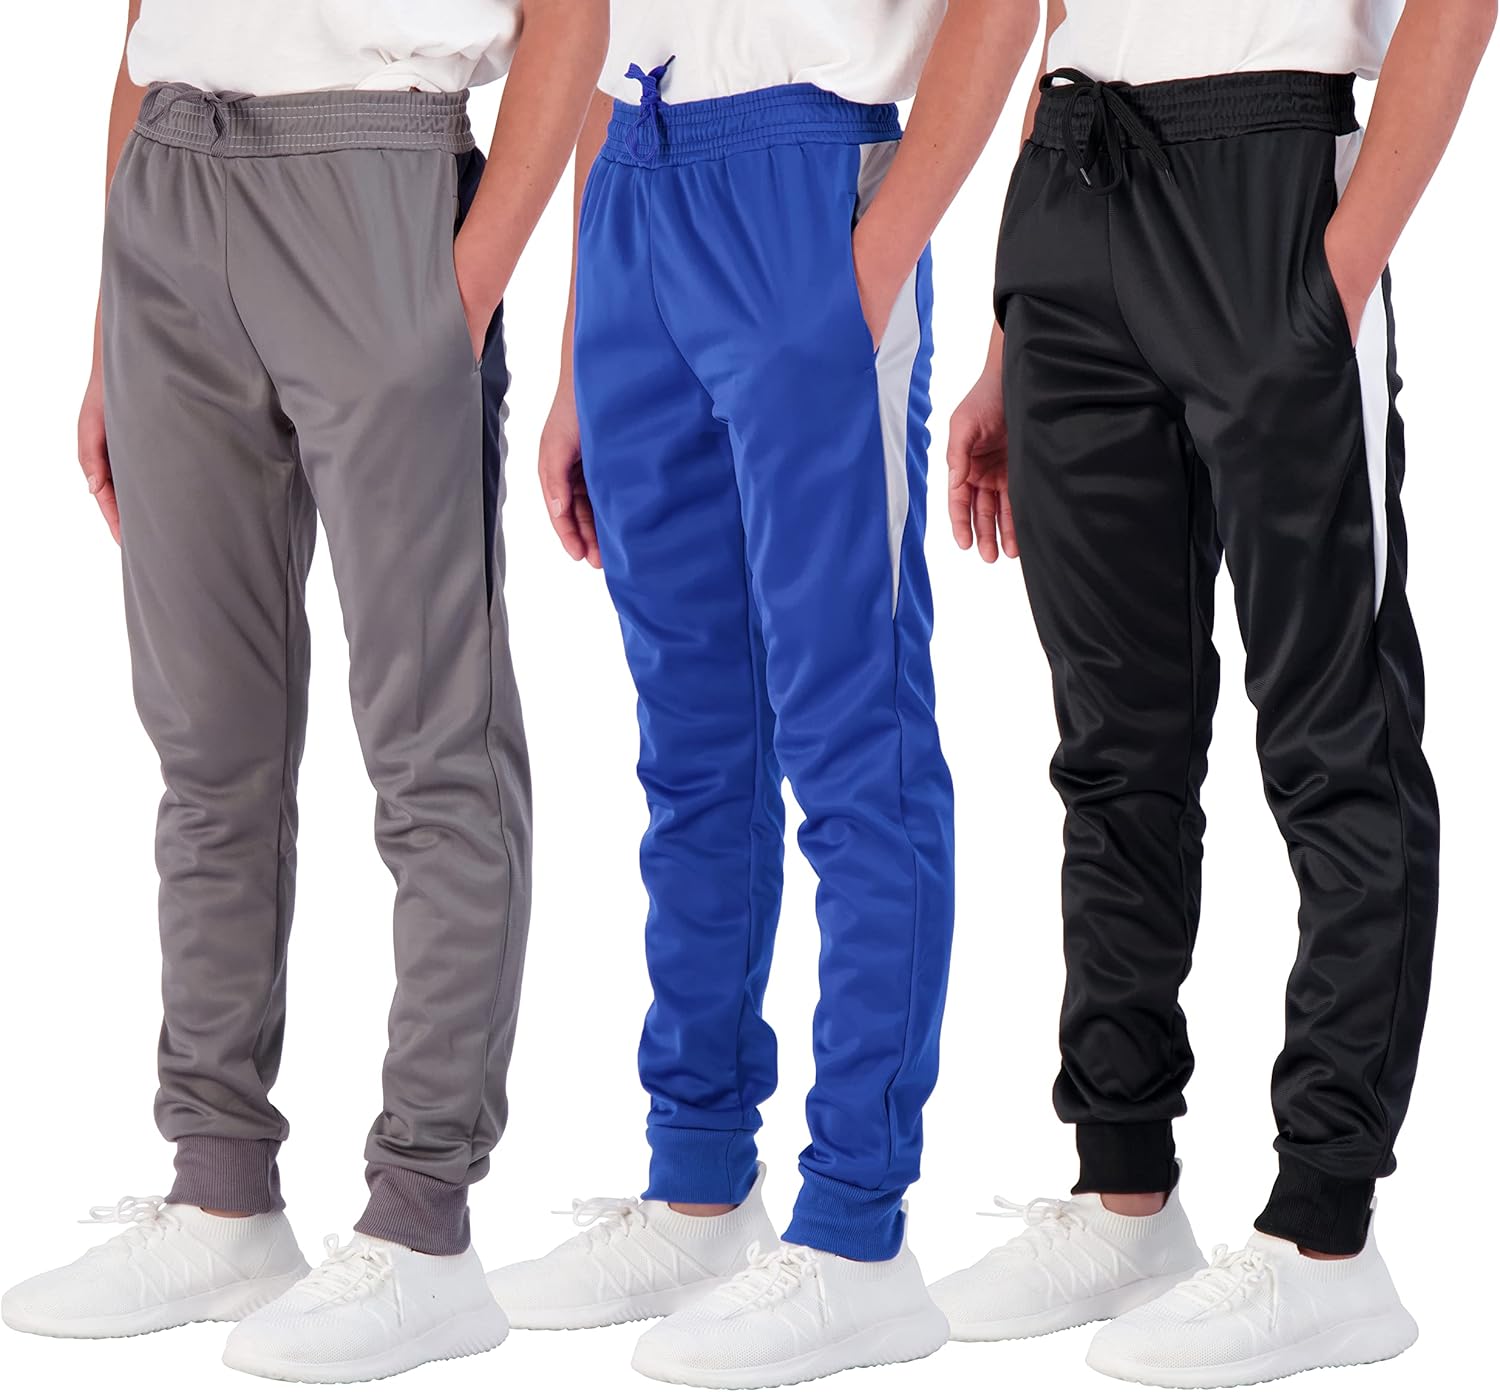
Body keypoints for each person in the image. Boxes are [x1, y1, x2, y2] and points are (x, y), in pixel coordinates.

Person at [0, 1, 607, 1381]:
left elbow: (574, 14)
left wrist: (462, 295)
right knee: (206, 748)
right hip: (169, 187)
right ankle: (221, 1191)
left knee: (435, 747)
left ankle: (424, 1225)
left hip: (379, 183)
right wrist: (108, 323)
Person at [935, 0, 1494, 1385]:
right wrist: (1009, 336)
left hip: (1273, 188)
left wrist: (1342, 271)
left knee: (1336, 739)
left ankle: (1327, 1238)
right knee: (1111, 748)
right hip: (1070, 190)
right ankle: (1123, 1189)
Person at [484, 1, 1039, 1385]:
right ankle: (700, 1187)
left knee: (855, 740)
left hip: (811, 180)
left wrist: (876, 261)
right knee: (691, 754)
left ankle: (857, 1232)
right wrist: (580, 347)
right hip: (633, 184)